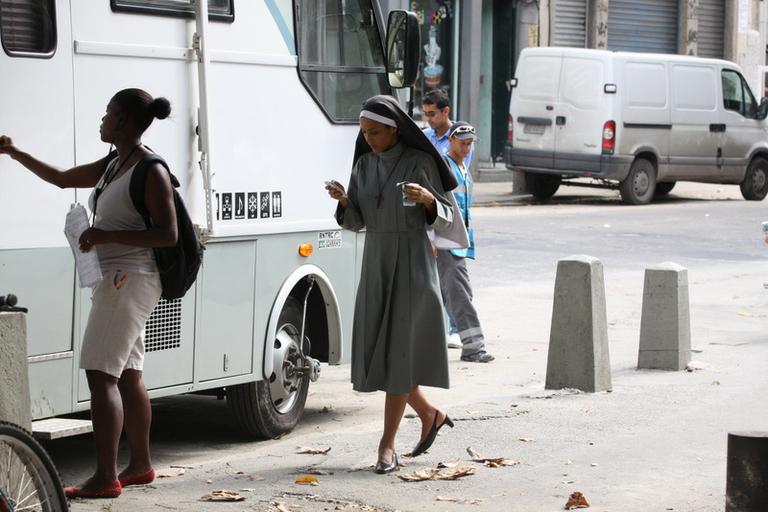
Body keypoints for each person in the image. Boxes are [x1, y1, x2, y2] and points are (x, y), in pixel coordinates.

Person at [0, 88, 177, 499]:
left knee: (101, 374)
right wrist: (15, 153)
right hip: (115, 277)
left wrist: (104, 234)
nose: (102, 119)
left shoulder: (150, 169)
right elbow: (63, 179)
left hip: (129, 279)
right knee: (129, 373)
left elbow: (167, 234)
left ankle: (105, 476)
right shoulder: (116, 163)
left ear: (127, 123)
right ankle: (140, 465)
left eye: (109, 113)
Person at [325, 95, 459, 472]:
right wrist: (344, 201)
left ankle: (387, 446)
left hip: (412, 262)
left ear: (394, 129)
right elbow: (356, 222)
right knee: (383, 354)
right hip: (376, 261)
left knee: (398, 353)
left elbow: (447, 217)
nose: (368, 139)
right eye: (364, 133)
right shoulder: (364, 165)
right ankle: (429, 415)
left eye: (375, 132)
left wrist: (430, 199)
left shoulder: (419, 161)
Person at [437, 122, 494, 363]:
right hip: (445, 241)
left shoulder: (463, 169)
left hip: (457, 241)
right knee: (460, 293)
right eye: (463, 143)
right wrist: (431, 239)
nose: (467, 147)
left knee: (445, 294)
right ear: (450, 140)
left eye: (470, 143)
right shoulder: (443, 167)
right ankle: (474, 347)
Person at [421, 88, 474, 167]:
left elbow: (459, 172)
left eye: (432, 114)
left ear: (445, 111)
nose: (428, 119)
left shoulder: (462, 138)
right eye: (426, 114)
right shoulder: (424, 136)